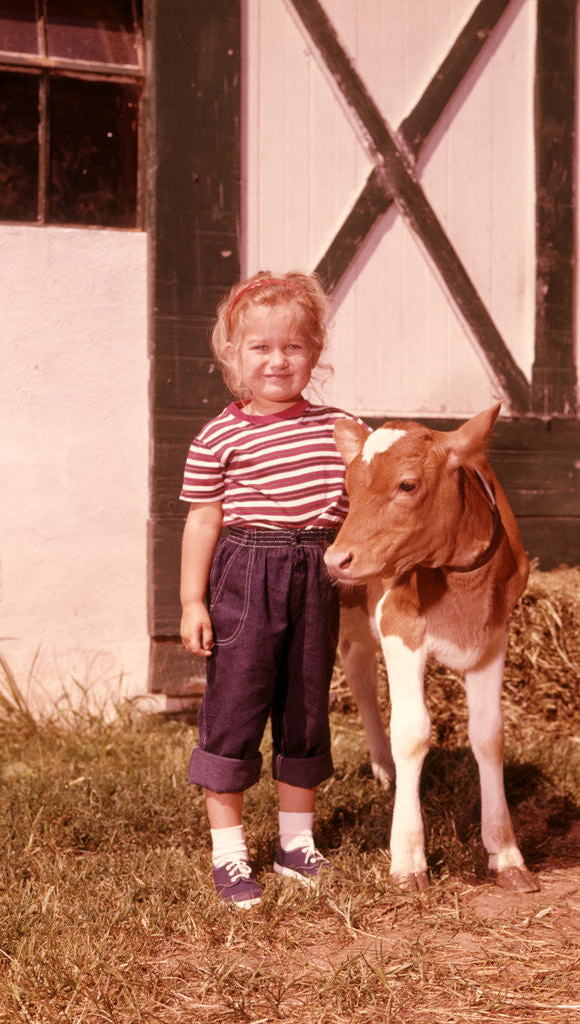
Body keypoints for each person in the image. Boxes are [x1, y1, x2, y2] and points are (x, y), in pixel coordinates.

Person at [179, 270, 363, 908]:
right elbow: (204, 518)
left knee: (306, 707)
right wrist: (192, 601)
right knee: (235, 705)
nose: (277, 360)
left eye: (293, 346)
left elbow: (365, 507)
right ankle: (229, 855)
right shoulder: (217, 436)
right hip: (245, 575)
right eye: (260, 347)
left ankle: (295, 844)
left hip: (315, 574)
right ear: (232, 355)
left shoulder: (342, 429)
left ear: (315, 352)